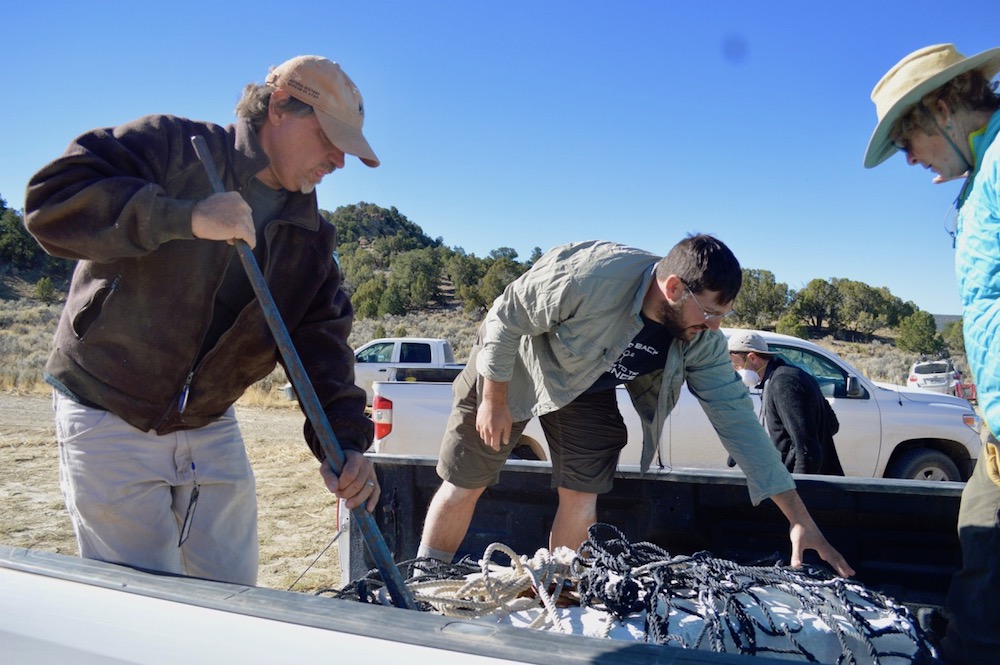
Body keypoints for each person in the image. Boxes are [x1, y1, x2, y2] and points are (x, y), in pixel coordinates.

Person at [23, 55, 380, 585]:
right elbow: (50, 203)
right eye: (330, 137)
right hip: (107, 408)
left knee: (234, 592)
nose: (338, 160)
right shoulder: (170, 147)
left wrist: (346, 444)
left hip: (209, 422)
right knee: (145, 601)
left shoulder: (309, 234)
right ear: (280, 106)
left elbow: (320, 345)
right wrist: (184, 217)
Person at [417, 236, 855, 578]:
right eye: (709, 312)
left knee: (582, 494)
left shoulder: (699, 338)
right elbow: (505, 315)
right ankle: (424, 580)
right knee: (465, 480)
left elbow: (737, 418)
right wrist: (492, 399)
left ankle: (554, 588)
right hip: (512, 365)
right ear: (673, 288)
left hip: (585, 385)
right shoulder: (592, 275)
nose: (715, 326)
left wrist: (798, 518)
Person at [865, 43, 1000, 664]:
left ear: (944, 106)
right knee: (981, 564)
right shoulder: (978, 183)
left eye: (906, 138)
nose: (908, 157)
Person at [728, 331, 844, 475]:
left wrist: (797, 488)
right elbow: (831, 425)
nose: (735, 370)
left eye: (736, 365)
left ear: (752, 357)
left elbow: (807, 450)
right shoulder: (785, 376)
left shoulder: (784, 383)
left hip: (808, 488)